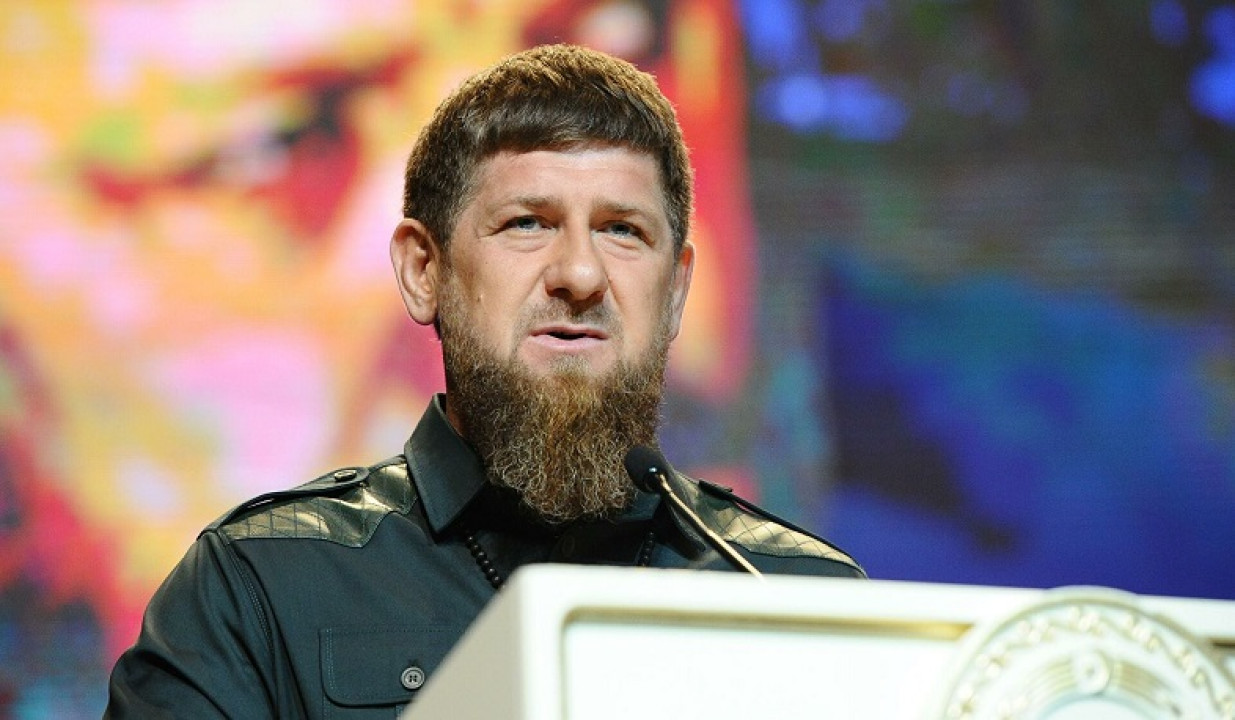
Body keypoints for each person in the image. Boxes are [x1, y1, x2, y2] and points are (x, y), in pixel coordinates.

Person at [105, 44, 864, 718]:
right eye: (527, 223)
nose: (580, 274)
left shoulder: (797, 598)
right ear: (423, 271)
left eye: (622, 230)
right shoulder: (260, 589)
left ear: (674, 291)